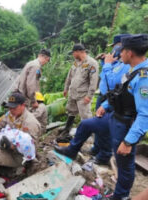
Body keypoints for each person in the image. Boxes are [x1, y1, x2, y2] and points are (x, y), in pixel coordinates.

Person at [55, 35, 131, 165]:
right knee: (83, 117)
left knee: (92, 121)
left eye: (116, 47)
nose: (114, 50)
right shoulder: (78, 62)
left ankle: (101, 151)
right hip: (102, 97)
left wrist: (89, 95)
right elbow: (72, 76)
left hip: (101, 98)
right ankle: (95, 148)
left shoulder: (93, 63)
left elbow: (99, 81)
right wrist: (66, 87)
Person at [106, 34, 148, 200]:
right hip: (118, 121)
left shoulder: (144, 78)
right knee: (120, 159)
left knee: (124, 164)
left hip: (126, 127)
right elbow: (120, 93)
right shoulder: (134, 71)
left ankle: (121, 196)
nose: (118, 54)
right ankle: (119, 192)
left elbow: (145, 114)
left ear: (129, 52)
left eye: (121, 50)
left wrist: (129, 141)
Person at [0, 92, 41, 183]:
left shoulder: (31, 123)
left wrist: (12, 147)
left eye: (14, 107)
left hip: (18, 156)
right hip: (6, 146)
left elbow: (31, 149)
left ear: (23, 105)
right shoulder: (11, 114)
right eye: (10, 107)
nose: (11, 110)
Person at [60, 44, 99, 135]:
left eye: (73, 53)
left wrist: (89, 96)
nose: (73, 55)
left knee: (85, 116)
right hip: (73, 93)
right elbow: (69, 76)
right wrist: (66, 88)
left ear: (78, 52)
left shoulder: (91, 63)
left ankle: (89, 135)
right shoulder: (75, 62)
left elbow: (94, 81)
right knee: (71, 111)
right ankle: (67, 128)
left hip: (83, 95)